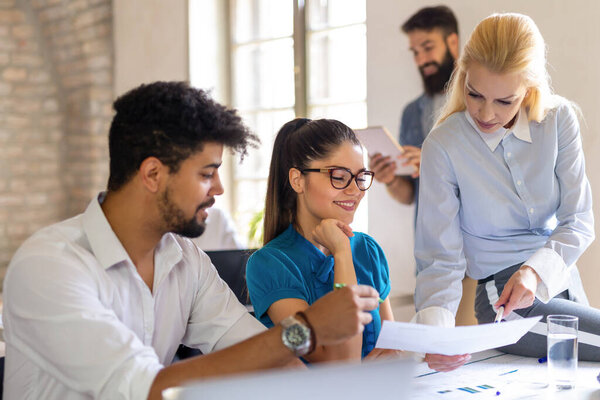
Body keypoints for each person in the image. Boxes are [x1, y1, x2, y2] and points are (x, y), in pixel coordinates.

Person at [2, 82, 382, 400]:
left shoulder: (186, 261)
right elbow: (148, 389)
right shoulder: (50, 265)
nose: (217, 188)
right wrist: (307, 330)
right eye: (206, 174)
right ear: (153, 174)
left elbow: (263, 356)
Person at [415, 13, 600, 372]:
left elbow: (578, 220)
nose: (485, 113)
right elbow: (440, 258)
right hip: (502, 299)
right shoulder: (443, 145)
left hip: (562, 282)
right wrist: (435, 336)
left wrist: (533, 272)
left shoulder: (558, 119)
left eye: (504, 101)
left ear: (529, 89)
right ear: (463, 76)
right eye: (474, 94)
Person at [246, 118, 400, 362]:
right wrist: (341, 252)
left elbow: (393, 349)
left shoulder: (368, 249)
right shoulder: (269, 265)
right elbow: (339, 365)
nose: (355, 190)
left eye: (360, 177)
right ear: (298, 180)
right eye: (339, 177)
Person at [369, 5, 459, 209]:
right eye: (415, 52)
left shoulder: (481, 108)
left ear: (452, 42)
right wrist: (390, 178)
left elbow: (488, 180)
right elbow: (409, 194)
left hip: (471, 237)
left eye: (428, 48)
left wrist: (433, 162)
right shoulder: (411, 113)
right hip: (425, 237)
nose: (421, 60)